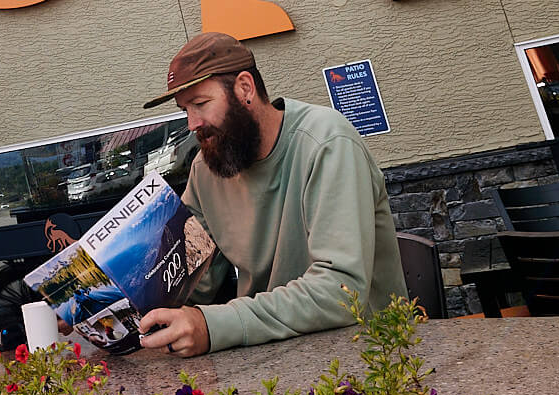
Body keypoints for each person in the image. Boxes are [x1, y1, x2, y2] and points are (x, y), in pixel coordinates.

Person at [138, 31, 406, 356]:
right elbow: (191, 279)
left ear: (245, 88)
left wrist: (213, 326)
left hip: (369, 358)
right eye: (185, 111)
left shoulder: (327, 143)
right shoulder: (206, 170)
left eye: (200, 104)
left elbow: (340, 292)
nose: (192, 123)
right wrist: (111, 305)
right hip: (271, 360)